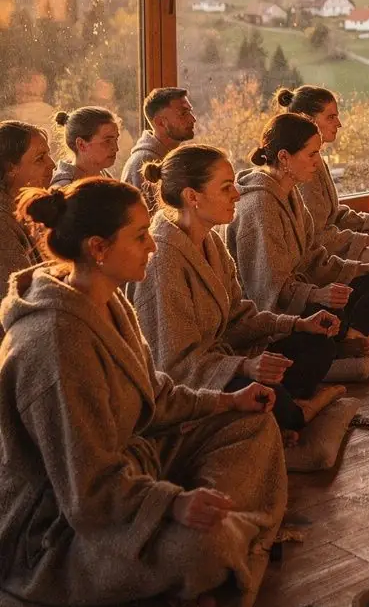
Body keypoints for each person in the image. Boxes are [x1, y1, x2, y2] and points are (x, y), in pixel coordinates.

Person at [0, 179, 286, 607]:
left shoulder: (106, 299)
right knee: (203, 548)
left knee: (254, 424)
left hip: (134, 467)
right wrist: (172, 503)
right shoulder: (55, 342)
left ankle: (220, 526)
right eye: (139, 236)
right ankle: (219, 537)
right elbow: (88, 491)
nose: (153, 244)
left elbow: (155, 395)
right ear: (98, 247)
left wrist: (229, 402)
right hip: (62, 528)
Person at [133, 144, 345, 435]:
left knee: (318, 344)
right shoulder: (163, 261)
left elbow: (239, 316)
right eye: (225, 188)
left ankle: (287, 410)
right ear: (192, 197)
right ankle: (298, 410)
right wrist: (243, 368)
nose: (236, 194)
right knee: (268, 398)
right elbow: (173, 366)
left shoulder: (211, 242)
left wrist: (297, 323)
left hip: (229, 358)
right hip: (197, 382)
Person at [227, 112, 369, 348]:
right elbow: (267, 293)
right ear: (284, 157)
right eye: (312, 154)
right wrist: (318, 295)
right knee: (324, 328)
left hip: (302, 293)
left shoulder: (290, 191)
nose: (317, 162)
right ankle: (348, 338)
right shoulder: (260, 207)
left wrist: (364, 268)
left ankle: (351, 337)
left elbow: (313, 257)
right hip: (276, 313)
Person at [276, 86, 369, 277]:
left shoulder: (317, 160)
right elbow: (316, 237)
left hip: (335, 242)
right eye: (331, 117)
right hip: (319, 259)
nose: (339, 123)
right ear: (307, 119)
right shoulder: (303, 170)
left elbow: (332, 215)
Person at [0, 121, 54, 302]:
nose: (52, 165)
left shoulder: (29, 210)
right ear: (10, 169)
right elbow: (20, 299)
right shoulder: (3, 226)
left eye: (49, 155)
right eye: (40, 158)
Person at [122, 88, 196, 212]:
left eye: (190, 111)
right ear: (160, 122)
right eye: (183, 113)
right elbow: (151, 224)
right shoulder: (142, 162)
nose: (193, 119)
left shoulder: (173, 159)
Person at [51, 107, 120, 187]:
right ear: (81, 144)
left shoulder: (106, 179)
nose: (116, 148)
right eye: (107, 141)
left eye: (116, 139)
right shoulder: (64, 191)